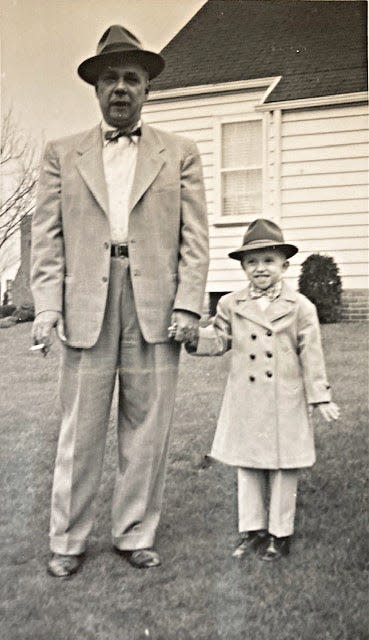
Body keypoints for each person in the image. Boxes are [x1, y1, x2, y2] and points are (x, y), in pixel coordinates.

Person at [31, 25, 209, 578]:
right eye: (110, 79)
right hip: (86, 300)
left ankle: (135, 532)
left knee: (147, 426)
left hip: (155, 303)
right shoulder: (62, 154)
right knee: (79, 427)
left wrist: (187, 305)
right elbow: (47, 238)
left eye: (132, 78)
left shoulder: (180, 153)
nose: (121, 89)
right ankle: (67, 539)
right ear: (96, 89)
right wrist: (46, 306)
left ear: (147, 89)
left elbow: (195, 238)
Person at [186, 218, 339, 561]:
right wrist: (195, 337)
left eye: (268, 260)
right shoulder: (231, 304)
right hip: (247, 397)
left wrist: (320, 395)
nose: (260, 268)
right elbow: (219, 339)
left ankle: (280, 534)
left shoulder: (301, 307)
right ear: (242, 267)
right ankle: (253, 529)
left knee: (285, 467)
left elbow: (311, 354)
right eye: (252, 262)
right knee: (249, 463)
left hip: (285, 398)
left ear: (284, 265)